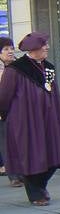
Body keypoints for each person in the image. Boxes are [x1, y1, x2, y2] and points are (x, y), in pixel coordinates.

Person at [0, 33, 60, 205]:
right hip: (26, 121)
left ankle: (40, 185)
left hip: (49, 120)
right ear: (33, 49)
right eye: (43, 45)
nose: (47, 47)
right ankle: (36, 193)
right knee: (31, 156)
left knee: (53, 156)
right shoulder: (15, 69)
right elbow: (4, 97)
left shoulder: (49, 68)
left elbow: (53, 92)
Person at [0, 36, 13, 179]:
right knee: (5, 142)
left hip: (15, 110)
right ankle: (13, 174)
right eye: (5, 49)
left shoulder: (18, 65)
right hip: (2, 111)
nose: (9, 51)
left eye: (11, 48)